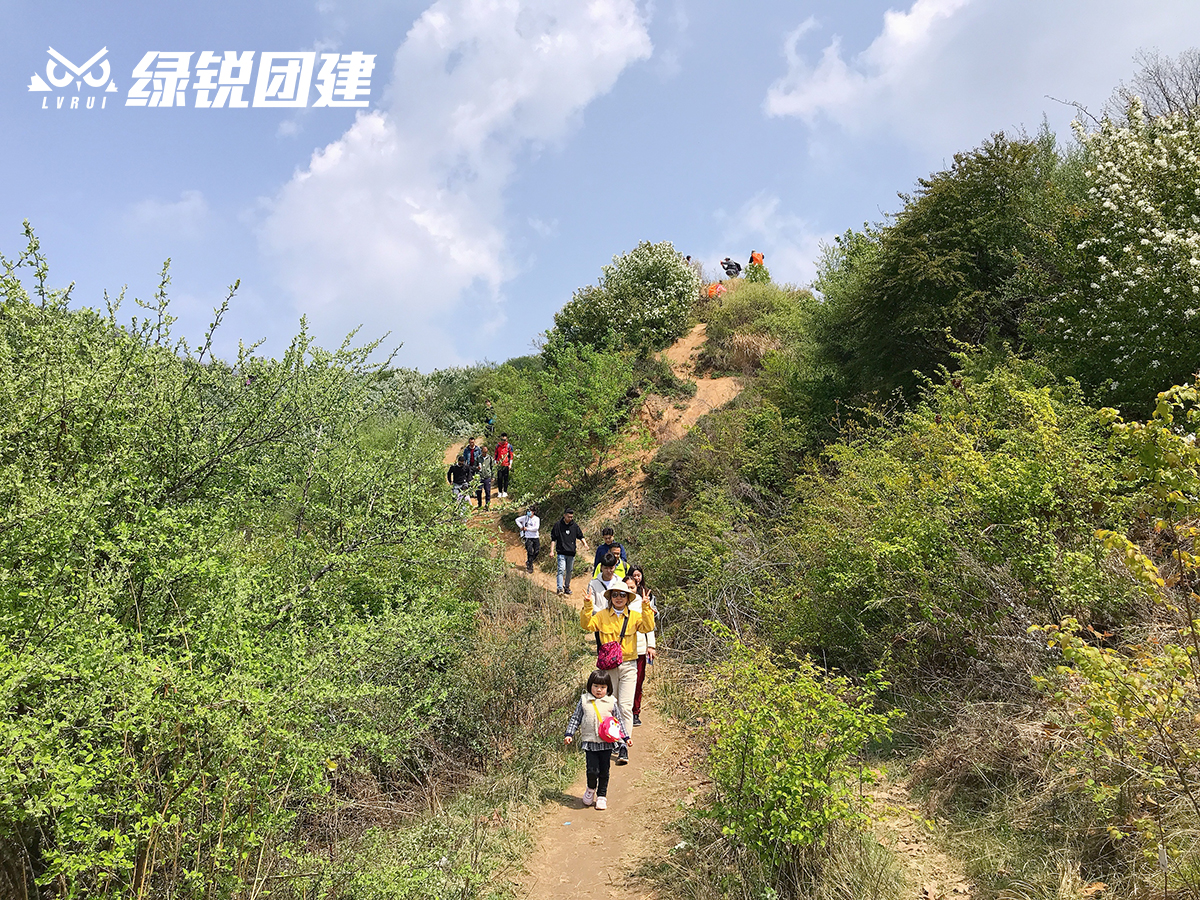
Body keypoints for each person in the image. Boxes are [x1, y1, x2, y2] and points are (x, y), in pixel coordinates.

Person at [580, 580, 654, 765]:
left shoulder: (635, 616)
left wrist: (646, 607)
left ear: (628, 598)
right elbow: (586, 625)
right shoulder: (603, 615)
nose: (619, 598)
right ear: (610, 598)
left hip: (629, 665)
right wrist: (588, 604)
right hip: (609, 667)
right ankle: (611, 737)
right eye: (615, 595)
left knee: (626, 707)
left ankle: (622, 743)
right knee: (610, 704)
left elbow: (648, 627)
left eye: (622, 595)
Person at [564, 669, 631, 810]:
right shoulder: (584, 700)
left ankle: (601, 796)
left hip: (606, 743)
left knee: (604, 771)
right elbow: (576, 718)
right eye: (595, 686)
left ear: (608, 688)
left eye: (602, 687)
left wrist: (625, 738)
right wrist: (569, 734)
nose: (599, 690)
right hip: (590, 743)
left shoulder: (611, 702)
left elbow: (618, 721)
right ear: (590, 686)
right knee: (592, 770)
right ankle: (590, 789)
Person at [628, 567, 658, 727]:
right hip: (622, 651)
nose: (629, 590)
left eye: (632, 587)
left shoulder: (642, 603)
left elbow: (649, 625)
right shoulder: (616, 602)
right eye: (626, 587)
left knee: (638, 681)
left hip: (639, 648)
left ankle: (635, 712)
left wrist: (651, 646)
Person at [550, 508, 587, 595]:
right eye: (568, 517)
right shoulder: (558, 525)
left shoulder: (574, 526)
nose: (570, 518)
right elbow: (553, 539)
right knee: (561, 570)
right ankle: (559, 588)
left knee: (569, 571)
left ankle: (566, 587)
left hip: (571, 552)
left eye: (571, 517)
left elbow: (580, 536)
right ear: (564, 515)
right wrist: (551, 551)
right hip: (561, 552)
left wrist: (585, 544)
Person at [585, 552, 623, 617]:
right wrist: (604, 615)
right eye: (606, 568)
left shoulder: (620, 582)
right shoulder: (593, 584)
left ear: (615, 567)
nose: (608, 571)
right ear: (601, 567)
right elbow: (592, 604)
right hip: (599, 619)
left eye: (611, 568)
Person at [515, 505, 540, 573]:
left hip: (535, 537)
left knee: (537, 551)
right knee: (530, 551)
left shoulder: (536, 519)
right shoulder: (525, 518)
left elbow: (536, 528)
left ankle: (529, 561)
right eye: (528, 511)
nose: (529, 512)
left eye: (530, 511)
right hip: (528, 537)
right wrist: (521, 527)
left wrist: (527, 529)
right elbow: (517, 520)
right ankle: (530, 566)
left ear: (533, 512)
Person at [494, 433, 514, 499]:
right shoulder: (498, 446)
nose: (503, 441)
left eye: (504, 440)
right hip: (500, 465)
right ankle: (499, 492)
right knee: (499, 478)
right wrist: (495, 462)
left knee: (506, 478)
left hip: (506, 464)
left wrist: (510, 464)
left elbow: (511, 456)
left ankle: (505, 491)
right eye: (502, 439)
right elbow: (495, 455)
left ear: (506, 439)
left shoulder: (509, 446)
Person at [475, 444, 494, 510]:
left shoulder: (490, 458)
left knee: (487, 491)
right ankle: (479, 504)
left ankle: (487, 505)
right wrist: (477, 468)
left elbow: (492, 467)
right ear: (481, 451)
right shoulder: (478, 458)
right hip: (480, 477)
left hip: (487, 477)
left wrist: (493, 476)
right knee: (479, 491)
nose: (485, 453)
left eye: (486, 452)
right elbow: (474, 467)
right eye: (483, 452)